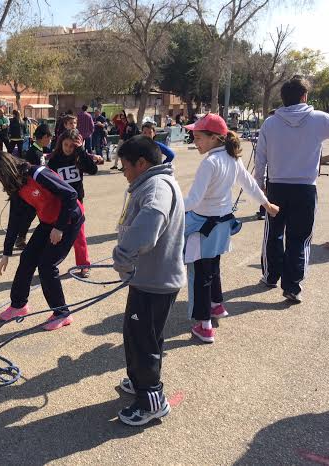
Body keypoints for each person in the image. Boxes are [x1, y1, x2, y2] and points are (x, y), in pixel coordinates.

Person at [183, 113, 279, 343]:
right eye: (194, 137)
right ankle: (216, 305)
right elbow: (249, 184)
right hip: (222, 225)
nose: (195, 142)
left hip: (202, 227)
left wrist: (171, 207)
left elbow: (194, 200)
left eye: (198, 137)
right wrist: (266, 204)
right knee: (213, 265)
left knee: (199, 273)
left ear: (215, 137)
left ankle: (204, 324)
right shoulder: (231, 158)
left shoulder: (210, 162)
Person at [112, 136, 186, 427]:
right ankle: (139, 381)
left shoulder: (155, 188)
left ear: (141, 163)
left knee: (144, 342)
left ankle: (152, 400)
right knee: (136, 334)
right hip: (147, 278)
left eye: (125, 167)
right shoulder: (152, 183)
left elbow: (148, 226)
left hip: (154, 280)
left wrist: (123, 256)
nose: (124, 173)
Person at [254, 76, 329, 303]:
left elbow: (260, 157)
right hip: (305, 188)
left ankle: (270, 276)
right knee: (299, 237)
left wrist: (259, 184)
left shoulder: (270, 123)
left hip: (276, 186)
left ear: (283, 98)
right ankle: (292, 285)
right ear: (305, 96)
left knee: (273, 234)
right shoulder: (318, 119)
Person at [0, 151, 84, 331]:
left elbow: (70, 195)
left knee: (47, 266)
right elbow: (14, 220)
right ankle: (19, 305)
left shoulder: (38, 174)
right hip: (48, 222)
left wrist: (60, 227)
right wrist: (6, 252)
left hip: (69, 220)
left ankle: (62, 313)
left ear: (4, 172)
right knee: (27, 258)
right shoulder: (17, 187)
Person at [46, 129, 102, 278]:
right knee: (55, 235)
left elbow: (93, 169)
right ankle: (49, 264)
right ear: (61, 143)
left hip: (77, 204)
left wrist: (81, 150)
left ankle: (84, 264)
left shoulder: (79, 156)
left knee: (79, 235)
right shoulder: (54, 160)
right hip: (59, 204)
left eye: (72, 146)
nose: (69, 149)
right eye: (66, 145)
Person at [14, 124, 53, 250]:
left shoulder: (37, 150)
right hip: (33, 189)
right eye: (49, 138)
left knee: (32, 214)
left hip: (36, 189)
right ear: (44, 137)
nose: (50, 141)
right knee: (30, 214)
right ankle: (20, 238)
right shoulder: (34, 153)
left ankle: (21, 237)